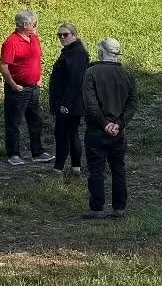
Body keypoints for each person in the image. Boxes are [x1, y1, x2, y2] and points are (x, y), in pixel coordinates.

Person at [81, 36, 137, 220]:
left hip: (97, 129)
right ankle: (119, 207)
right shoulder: (127, 75)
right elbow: (132, 104)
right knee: (118, 168)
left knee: (96, 169)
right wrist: (119, 124)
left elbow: (91, 104)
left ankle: (97, 208)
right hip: (118, 131)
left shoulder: (91, 73)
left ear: (101, 52)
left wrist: (104, 124)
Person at [0, 9, 51, 166]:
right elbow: (3, 66)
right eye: (34, 23)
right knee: (14, 122)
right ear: (24, 25)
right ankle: (13, 154)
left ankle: (37, 151)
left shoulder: (34, 38)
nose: (36, 25)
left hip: (34, 87)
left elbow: (38, 59)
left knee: (36, 120)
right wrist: (13, 85)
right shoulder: (11, 42)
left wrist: (39, 77)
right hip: (18, 89)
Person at [48, 22, 89, 177]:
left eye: (65, 34)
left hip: (69, 103)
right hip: (69, 101)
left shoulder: (77, 53)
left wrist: (65, 103)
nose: (62, 37)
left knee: (62, 134)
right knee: (71, 133)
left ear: (74, 35)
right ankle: (75, 167)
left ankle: (58, 168)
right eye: (60, 35)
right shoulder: (70, 51)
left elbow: (74, 80)